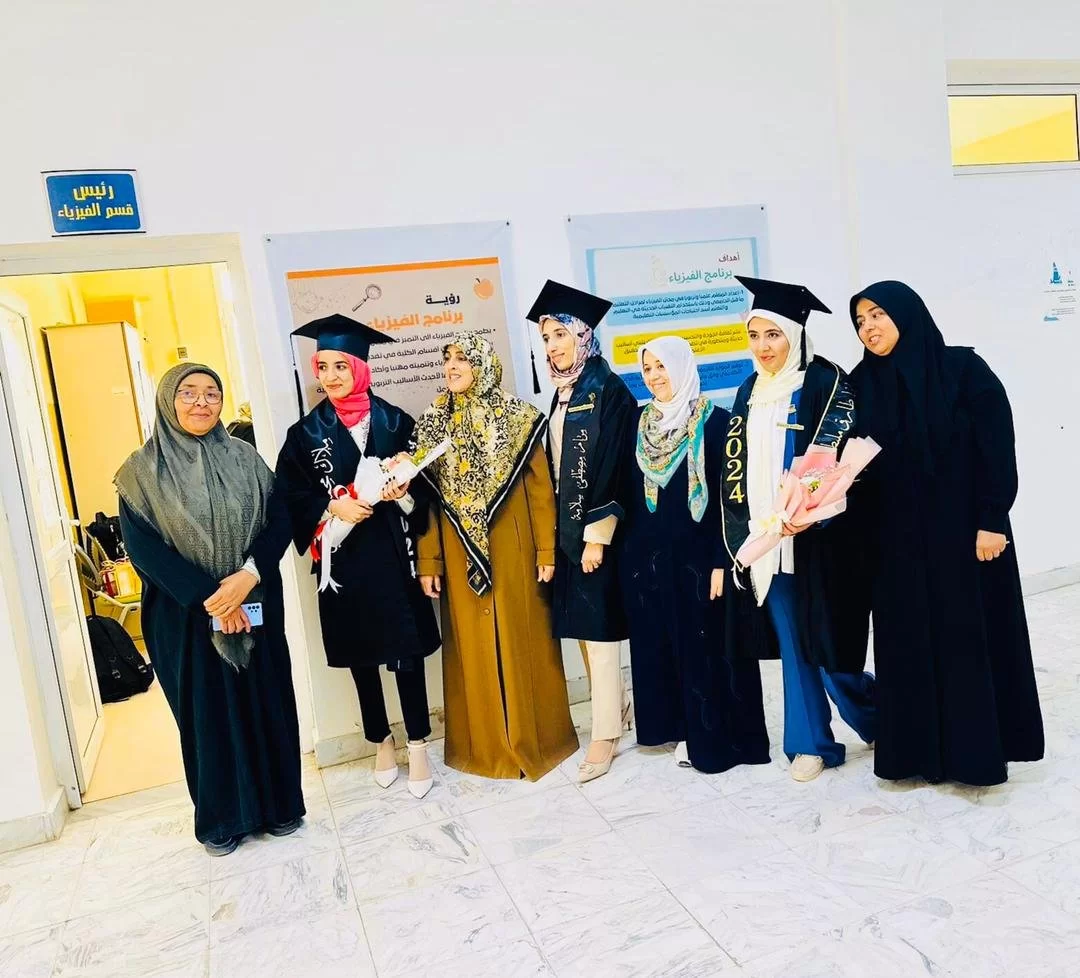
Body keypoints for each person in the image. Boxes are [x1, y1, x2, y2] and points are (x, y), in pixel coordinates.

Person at [849, 281, 1043, 786]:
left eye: (877, 315)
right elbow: (849, 465)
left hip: (964, 538)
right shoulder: (860, 384)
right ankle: (915, 756)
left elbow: (996, 447)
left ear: (907, 314)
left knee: (966, 642)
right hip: (896, 546)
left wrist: (992, 519)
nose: (868, 327)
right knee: (907, 645)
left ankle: (975, 756)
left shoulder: (962, 370)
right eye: (860, 321)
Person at [115, 363, 304, 856]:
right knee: (207, 715)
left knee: (266, 700)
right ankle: (222, 820)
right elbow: (145, 550)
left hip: (256, 601)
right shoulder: (140, 473)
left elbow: (279, 519)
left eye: (211, 393)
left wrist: (248, 576)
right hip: (185, 619)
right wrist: (214, 600)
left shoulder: (245, 458)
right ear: (167, 400)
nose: (202, 402)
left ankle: (280, 806)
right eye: (189, 393)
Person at [275, 315, 440, 798]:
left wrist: (404, 494)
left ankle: (419, 744)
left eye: (340, 366)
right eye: (322, 367)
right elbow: (289, 496)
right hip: (343, 563)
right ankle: (380, 741)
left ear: (361, 368)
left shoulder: (396, 422)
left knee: (406, 654)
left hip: (394, 557)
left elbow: (429, 491)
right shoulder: (305, 434)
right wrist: (332, 505)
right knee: (361, 659)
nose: (330, 376)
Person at [721, 277, 876, 783]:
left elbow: (837, 456)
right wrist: (752, 532)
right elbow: (736, 466)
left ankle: (876, 714)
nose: (763, 347)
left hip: (821, 539)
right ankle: (811, 743)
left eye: (774, 335)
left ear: (795, 335)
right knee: (794, 645)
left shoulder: (826, 382)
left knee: (831, 649)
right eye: (755, 336)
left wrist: (808, 509)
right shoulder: (748, 391)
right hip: (771, 540)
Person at [413, 331, 578, 780]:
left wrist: (547, 551)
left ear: (483, 365)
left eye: (462, 359)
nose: (452, 367)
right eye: (447, 359)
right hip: (457, 553)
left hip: (515, 548)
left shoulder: (518, 418)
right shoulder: (432, 423)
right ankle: (483, 750)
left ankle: (540, 741)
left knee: (524, 644)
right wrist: (429, 561)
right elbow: (427, 503)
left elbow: (541, 491)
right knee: (474, 651)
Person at [621, 336, 771, 774]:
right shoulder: (638, 425)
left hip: (701, 561)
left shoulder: (718, 423)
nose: (654, 377)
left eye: (661, 367)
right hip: (652, 561)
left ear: (682, 368)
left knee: (707, 648)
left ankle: (716, 740)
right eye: (647, 368)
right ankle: (680, 729)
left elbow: (732, 500)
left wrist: (723, 560)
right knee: (664, 647)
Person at [526, 280, 638, 783]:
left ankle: (605, 734)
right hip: (567, 531)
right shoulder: (562, 393)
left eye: (560, 335)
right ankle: (619, 708)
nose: (552, 346)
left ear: (583, 334)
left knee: (600, 632)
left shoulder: (608, 391)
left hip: (598, 534)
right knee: (584, 629)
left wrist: (596, 535)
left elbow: (613, 465)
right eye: (546, 338)